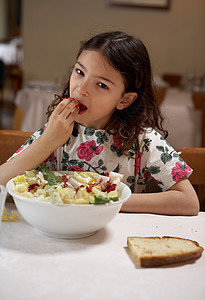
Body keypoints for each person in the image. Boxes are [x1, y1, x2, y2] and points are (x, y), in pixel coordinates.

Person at [0, 31, 199, 215]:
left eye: (102, 85)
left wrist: (107, 201)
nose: (81, 89)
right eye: (79, 72)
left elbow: (189, 202)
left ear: (124, 100)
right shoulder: (57, 131)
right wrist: (47, 142)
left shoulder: (143, 140)